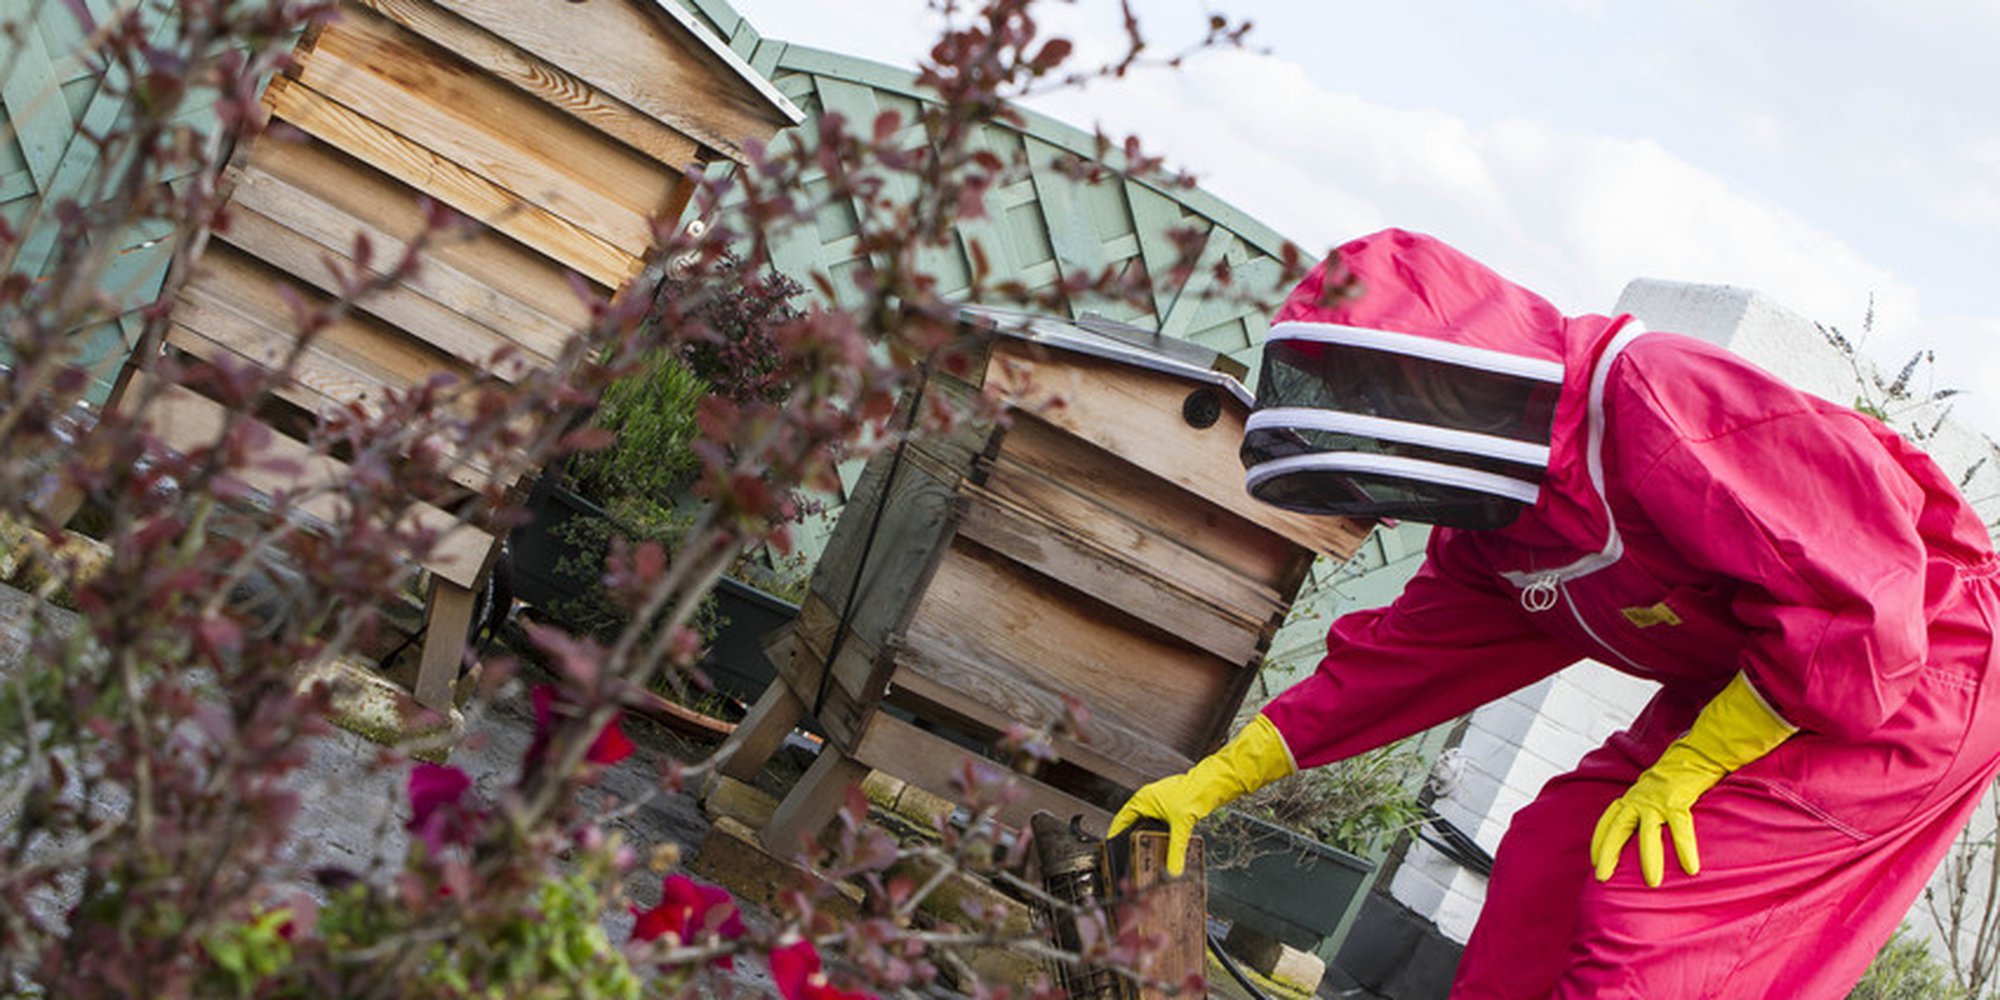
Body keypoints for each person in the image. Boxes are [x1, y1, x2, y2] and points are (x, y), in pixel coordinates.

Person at [1109, 228, 2000, 998]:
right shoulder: (1500, 544)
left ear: (1439, 382)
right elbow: (1385, 669)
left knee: (1652, 916)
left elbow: (1861, 606)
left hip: (1919, 669)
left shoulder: (1657, 399)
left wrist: (1694, 765)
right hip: (1763, 680)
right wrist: (1213, 782)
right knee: (1551, 862)